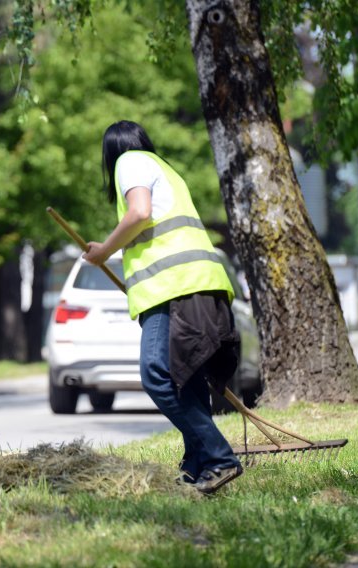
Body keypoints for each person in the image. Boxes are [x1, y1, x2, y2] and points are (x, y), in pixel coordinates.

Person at [83, 120, 243, 495]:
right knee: (184, 376)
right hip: (202, 283)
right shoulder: (165, 169)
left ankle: (219, 457)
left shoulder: (130, 162)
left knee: (155, 373)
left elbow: (139, 213)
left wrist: (104, 250)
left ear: (111, 152)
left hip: (173, 288)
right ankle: (198, 466)